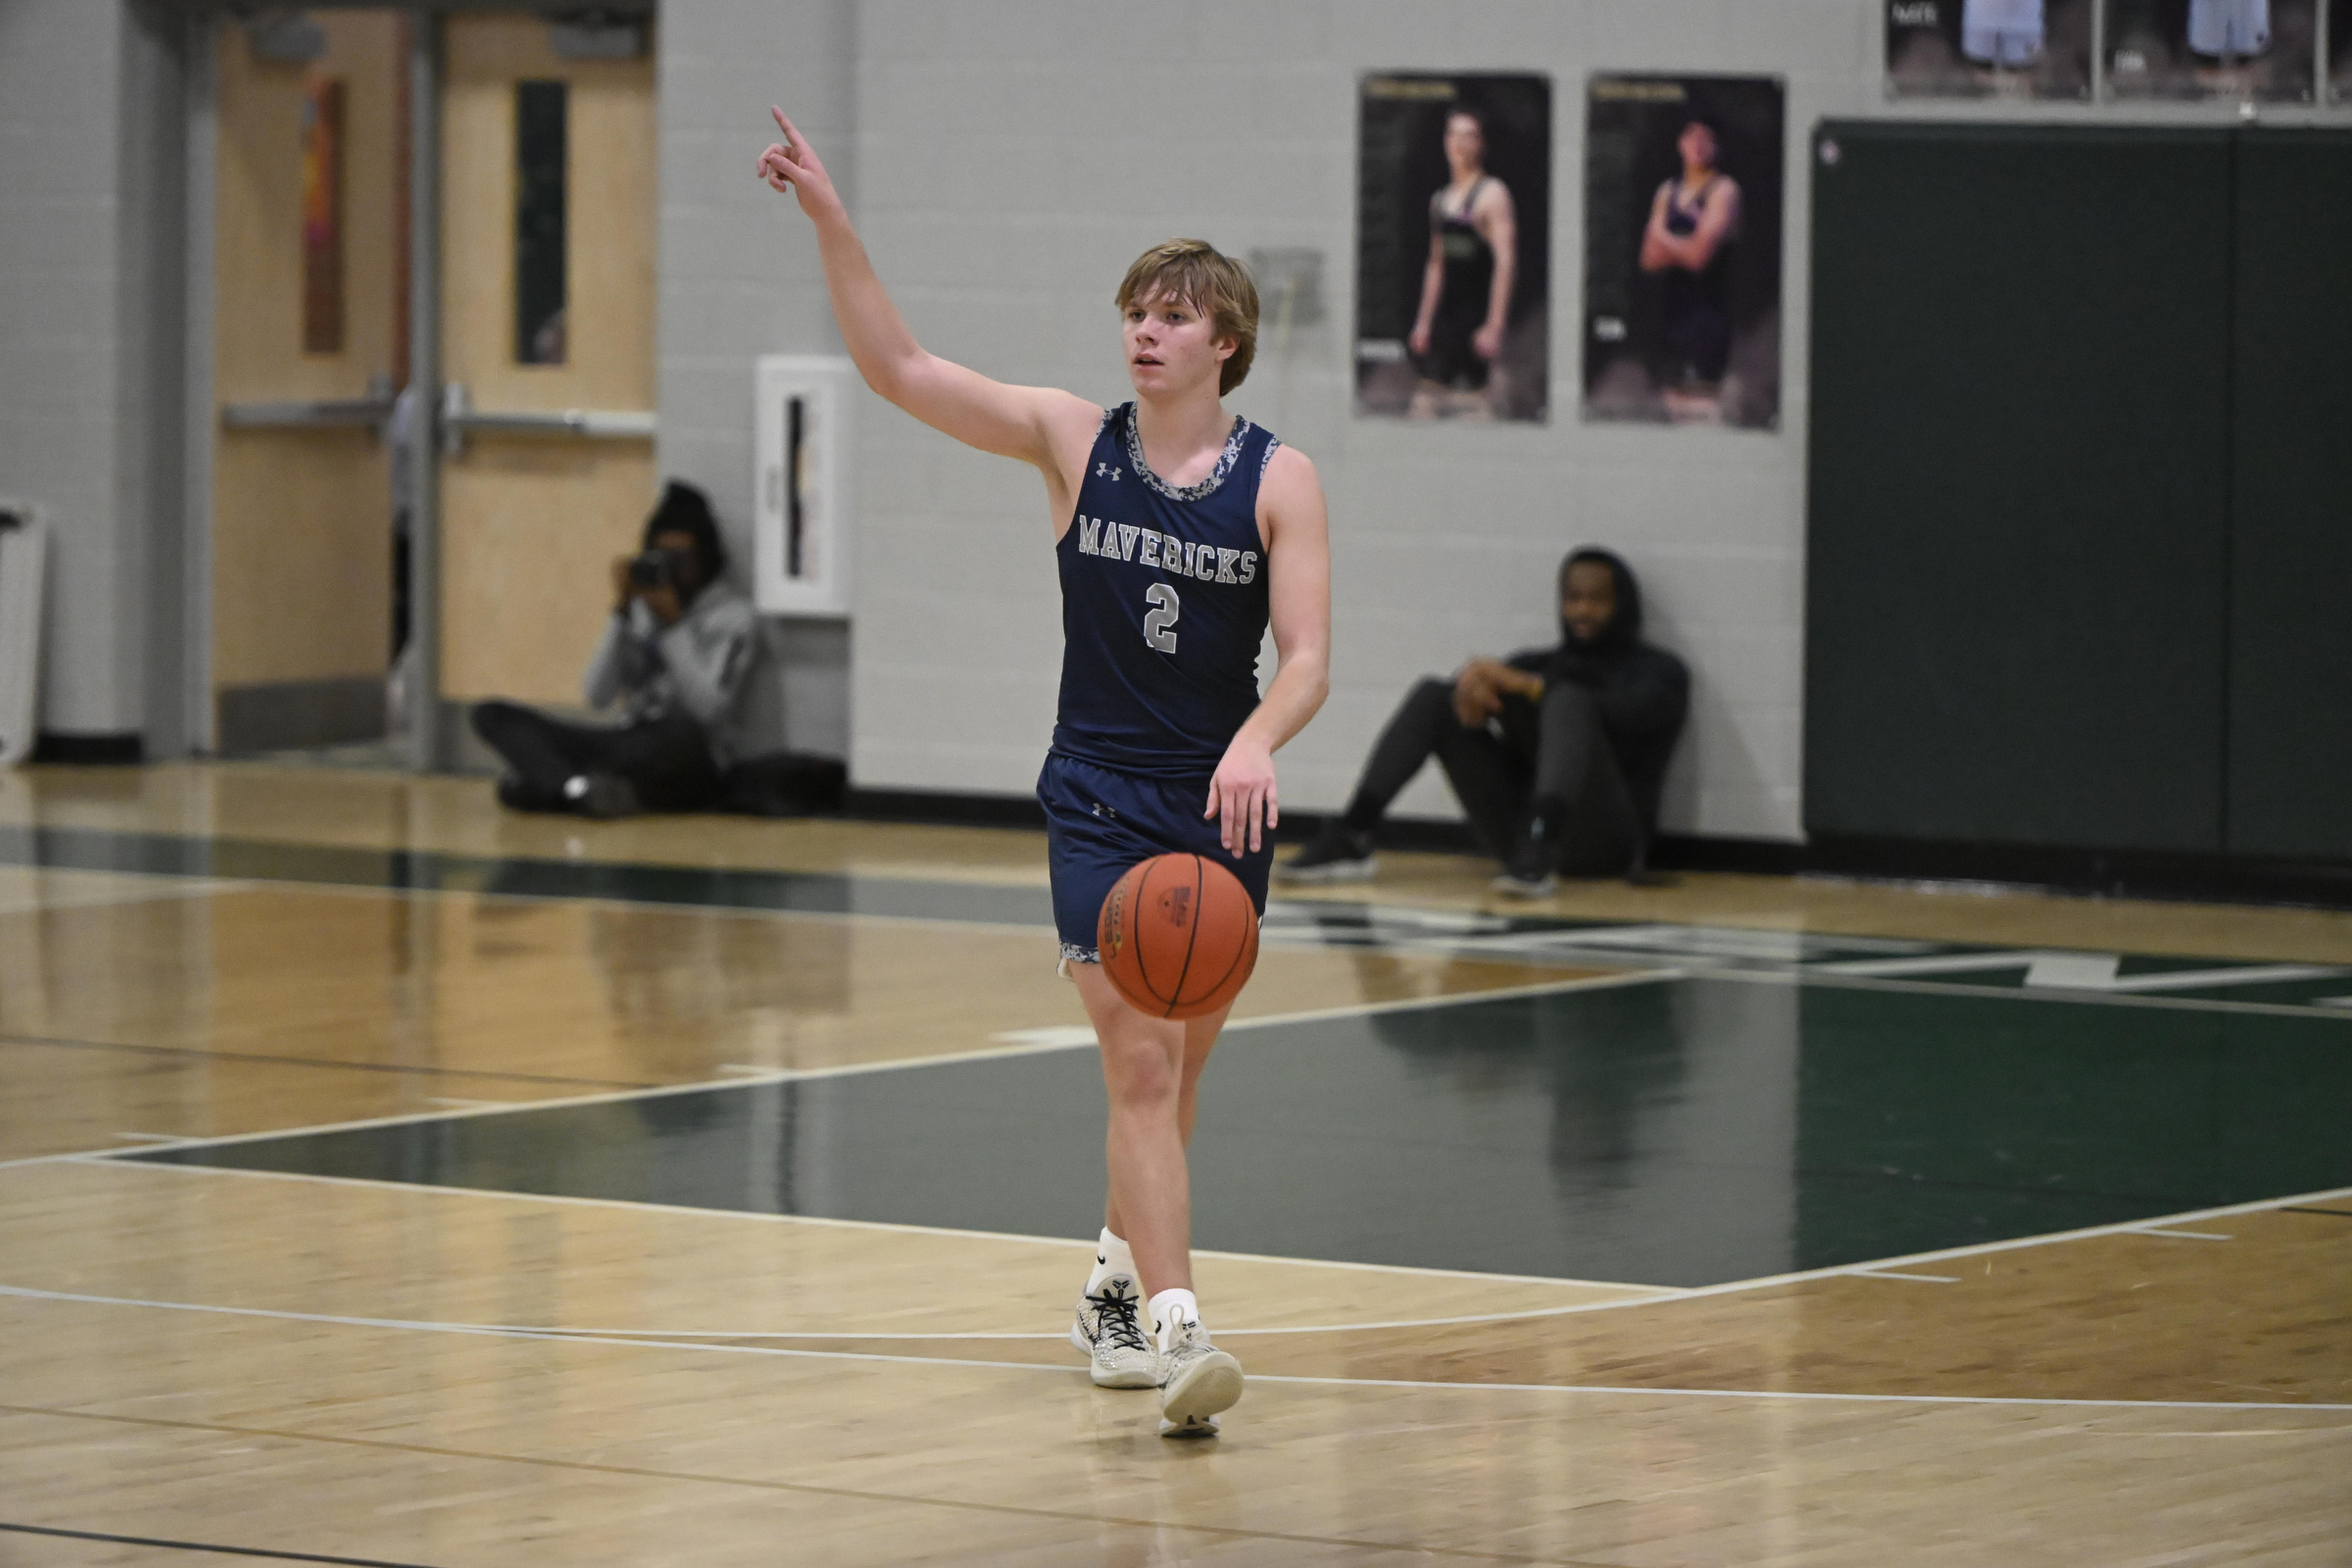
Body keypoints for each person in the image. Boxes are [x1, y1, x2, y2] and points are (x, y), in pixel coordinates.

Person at [759, 110, 1330, 1440]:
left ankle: (1112, 1288)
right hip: (1099, 795)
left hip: (1217, 804)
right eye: (1135, 310)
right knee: (1139, 1066)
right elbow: (899, 368)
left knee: (1176, 1075)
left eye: (1174, 315)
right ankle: (1181, 1329)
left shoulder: (1280, 478)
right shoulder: (1075, 439)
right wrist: (833, 221)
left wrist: (1258, 737)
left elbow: (1306, 659)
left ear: (1226, 341)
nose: (1146, 330)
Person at [1281, 549, 1686, 896]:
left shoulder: (1660, 673)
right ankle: (1352, 833)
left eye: (1597, 600)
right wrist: (1473, 688)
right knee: (1436, 696)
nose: (1582, 610)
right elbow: (1497, 689)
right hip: (1517, 841)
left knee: (1567, 699)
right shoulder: (1539, 663)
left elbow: (1623, 714)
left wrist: (1531, 688)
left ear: (1623, 605)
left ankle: (1541, 842)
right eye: (1573, 598)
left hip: (1607, 844)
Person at [471, 480, 758, 819]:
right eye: (662, 558)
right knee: (490, 714)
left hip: (688, 755)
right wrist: (620, 612)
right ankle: (580, 789)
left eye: (682, 559)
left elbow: (707, 712)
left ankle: (560, 783)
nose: (674, 570)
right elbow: (597, 695)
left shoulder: (735, 618)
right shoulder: (641, 608)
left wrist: (674, 627)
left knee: (677, 735)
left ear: (706, 559)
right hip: (625, 740)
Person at [1407, 107, 1517, 419]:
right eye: (1453, 135)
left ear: (1481, 144)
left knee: (1476, 412)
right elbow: (1436, 264)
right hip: (1446, 325)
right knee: (1422, 407)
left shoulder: (1492, 195)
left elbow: (1505, 263)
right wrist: (1423, 322)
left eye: (1468, 136)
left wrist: (1494, 326)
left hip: (1477, 324)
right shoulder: (1440, 200)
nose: (1459, 143)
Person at [1640, 115, 1741, 421]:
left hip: (1708, 322)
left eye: (1705, 137)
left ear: (1717, 145)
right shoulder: (1666, 192)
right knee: (1671, 411)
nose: (1698, 144)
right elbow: (1648, 259)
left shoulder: (1724, 191)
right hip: (1671, 322)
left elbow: (1699, 258)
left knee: (1701, 416)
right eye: (1691, 136)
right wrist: (1685, 245)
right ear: (1680, 143)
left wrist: (1664, 238)